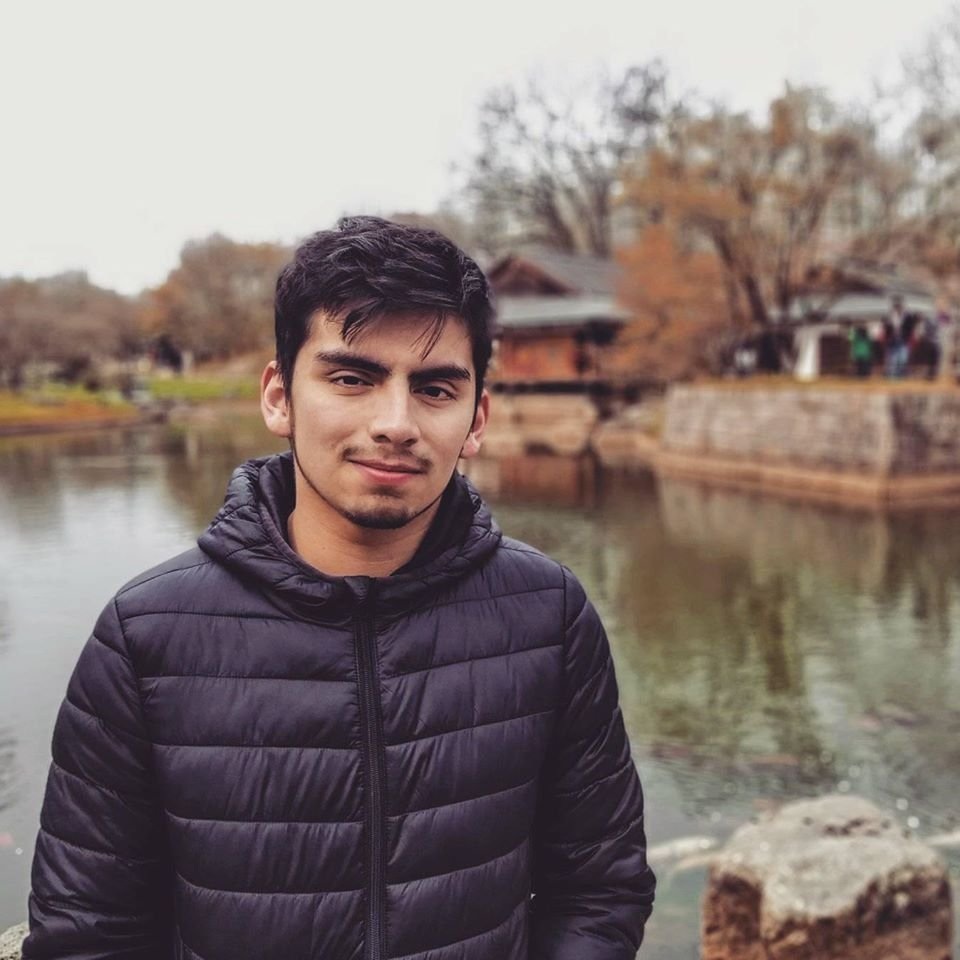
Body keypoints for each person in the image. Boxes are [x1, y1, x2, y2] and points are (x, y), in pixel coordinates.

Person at [22, 217, 656, 960]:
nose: (396, 423)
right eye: (352, 379)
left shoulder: (548, 613)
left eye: (435, 388)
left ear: (477, 418)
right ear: (279, 397)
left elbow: (599, 888)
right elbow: (89, 932)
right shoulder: (145, 635)